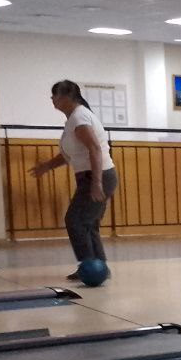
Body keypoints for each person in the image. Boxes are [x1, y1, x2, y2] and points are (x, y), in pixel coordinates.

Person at [29, 79, 118, 282]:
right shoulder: (74, 119)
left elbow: (94, 149)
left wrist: (96, 183)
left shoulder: (79, 117)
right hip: (95, 176)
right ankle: (98, 267)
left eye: (55, 95)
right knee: (88, 223)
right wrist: (46, 166)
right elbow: (69, 154)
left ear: (67, 97)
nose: (52, 98)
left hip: (97, 176)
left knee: (75, 220)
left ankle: (89, 266)